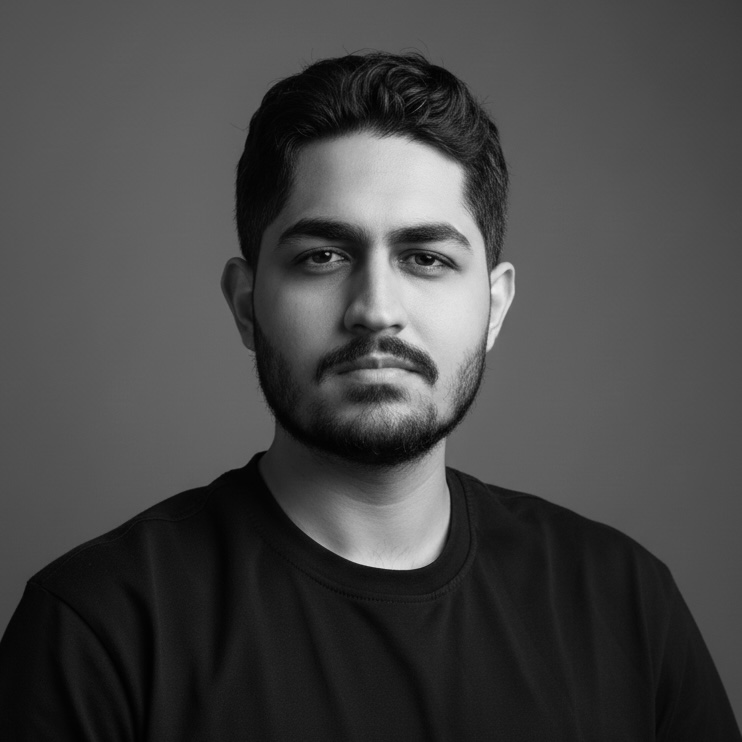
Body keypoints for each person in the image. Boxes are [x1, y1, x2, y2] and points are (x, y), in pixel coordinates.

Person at [0, 51, 738, 741]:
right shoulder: (98, 629)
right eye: (323, 256)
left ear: (494, 307)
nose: (376, 309)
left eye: (427, 258)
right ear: (246, 305)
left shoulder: (624, 602)